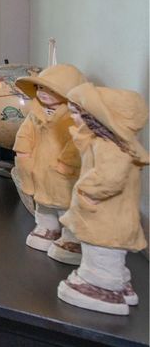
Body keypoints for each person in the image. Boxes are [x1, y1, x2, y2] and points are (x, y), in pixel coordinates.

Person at [57, 83, 148, 315]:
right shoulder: (107, 143)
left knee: (102, 253)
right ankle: (120, 285)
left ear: (99, 118)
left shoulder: (111, 147)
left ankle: (102, 289)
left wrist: (85, 191)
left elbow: (110, 178)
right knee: (104, 252)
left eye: (77, 113)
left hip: (105, 218)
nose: (72, 117)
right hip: (106, 215)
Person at [12, 64, 86, 259]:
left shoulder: (74, 118)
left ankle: (71, 238)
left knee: (66, 204)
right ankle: (47, 228)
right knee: (43, 202)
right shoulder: (35, 114)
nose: (43, 93)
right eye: (40, 87)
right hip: (39, 167)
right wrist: (23, 151)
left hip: (65, 172)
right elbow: (24, 134)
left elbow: (78, 141)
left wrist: (67, 162)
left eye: (50, 89)